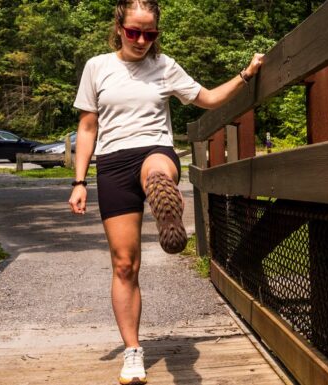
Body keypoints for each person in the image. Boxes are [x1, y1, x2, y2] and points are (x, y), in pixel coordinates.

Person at [67, 1, 263, 384]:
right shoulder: (97, 67)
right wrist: (78, 182)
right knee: (125, 265)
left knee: (157, 171)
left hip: (154, 148)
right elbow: (88, 126)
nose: (141, 40)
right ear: (119, 26)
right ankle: (133, 351)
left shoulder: (164, 66)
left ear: (157, 33)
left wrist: (245, 75)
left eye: (150, 33)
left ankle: (163, 197)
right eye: (134, 32)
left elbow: (206, 98)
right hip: (112, 163)